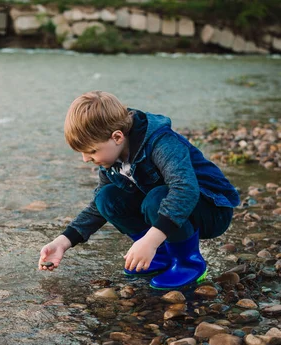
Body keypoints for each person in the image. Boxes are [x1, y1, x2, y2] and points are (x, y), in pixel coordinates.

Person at [38, 91, 240, 290]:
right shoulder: (111, 159)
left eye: (91, 151)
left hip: (211, 210)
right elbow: (97, 208)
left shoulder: (161, 142)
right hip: (167, 210)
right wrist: (63, 242)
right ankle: (160, 255)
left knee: (157, 198)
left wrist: (149, 240)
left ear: (117, 136)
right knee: (106, 198)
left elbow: (184, 189)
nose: (85, 158)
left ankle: (188, 263)